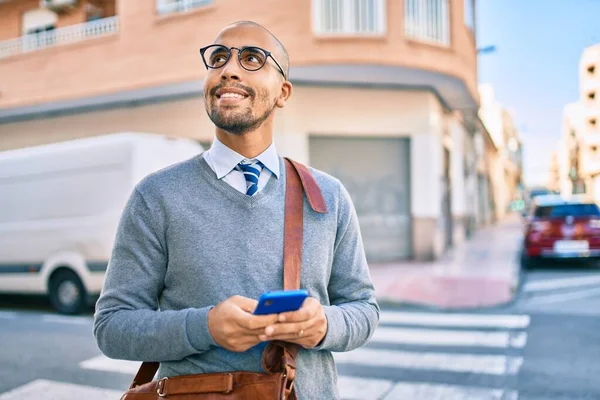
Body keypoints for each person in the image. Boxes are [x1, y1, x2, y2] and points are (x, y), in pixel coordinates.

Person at [93, 20, 379, 399]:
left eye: (252, 58)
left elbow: (364, 309)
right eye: (218, 58)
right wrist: (206, 326)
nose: (228, 68)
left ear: (283, 92)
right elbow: (112, 328)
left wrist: (323, 324)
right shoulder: (155, 196)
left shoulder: (328, 195)